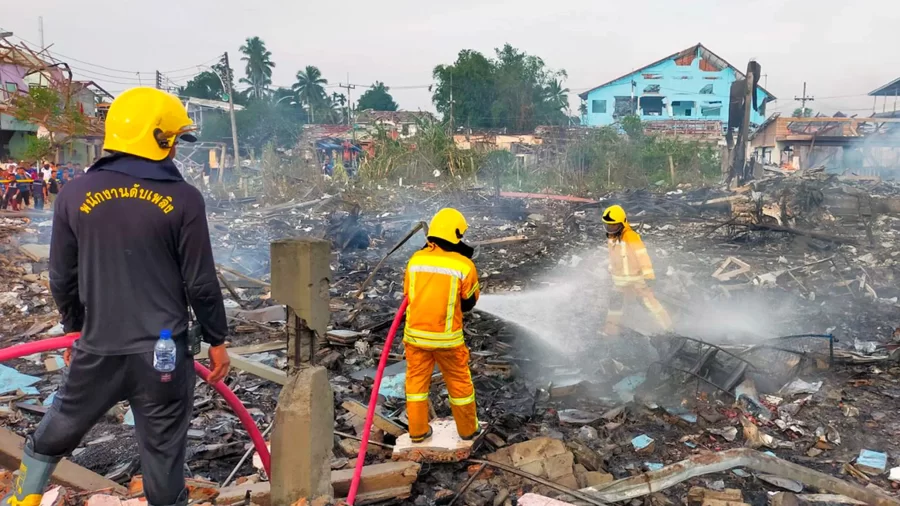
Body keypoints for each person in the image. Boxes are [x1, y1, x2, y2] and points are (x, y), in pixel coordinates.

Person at [2, 87, 231, 506]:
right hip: (163, 355)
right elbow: (200, 282)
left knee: (53, 436)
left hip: (98, 350)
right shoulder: (183, 199)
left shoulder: (74, 194)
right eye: (174, 138)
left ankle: (21, 500)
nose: (177, 146)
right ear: (158, 138)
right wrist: (218, 340)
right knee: (163, 463)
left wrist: (74, 329)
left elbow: (61, 277)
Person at [403, 208, 481, 442]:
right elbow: (469, 302)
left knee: (416, 384)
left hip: (415, 338)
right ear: (456, 234)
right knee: (459, 384)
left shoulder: (415, 261)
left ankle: (417, 432)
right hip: (448, 341)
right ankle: (467, 431)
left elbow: (408, 294)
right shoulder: (464, 266)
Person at [602, 205, 672, 336]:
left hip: (636, 277)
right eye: (608, 225)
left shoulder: (631, 236)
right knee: (615, 304)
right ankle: (611, 331)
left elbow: (642, 256)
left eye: (613, 225)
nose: (610, 229)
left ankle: (667, 328)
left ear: (622, 223)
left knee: (649, 303)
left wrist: (649, 275)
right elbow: (613, 256)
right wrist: (611, 269)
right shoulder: (611, 239)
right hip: (619, 279)